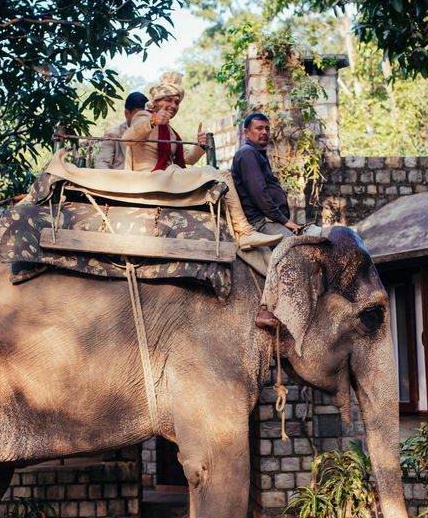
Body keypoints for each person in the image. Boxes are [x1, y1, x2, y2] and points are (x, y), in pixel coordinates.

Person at [121, 72, 281, 250]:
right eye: (169, 100)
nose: (173, 106)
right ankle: (245, 232)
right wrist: (152, 121)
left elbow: (187, 158)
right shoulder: (144, 116)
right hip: (150, 180)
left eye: (177, 102)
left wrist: (199, 145)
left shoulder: (170, 130)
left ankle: (244, 231)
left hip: (167, 176)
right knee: (214, 173)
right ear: (157, 101)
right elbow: (127, 138)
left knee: (223, 174)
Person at [230, 112, 303, 328]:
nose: (264, 132)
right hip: (259, 221)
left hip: (268, 219)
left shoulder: (257, 154)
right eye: (258, 128)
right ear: (246, 132)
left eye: (266, 128)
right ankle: (267, 308)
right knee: (293, 249)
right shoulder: (247, 154)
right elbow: (259, 193)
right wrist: (283, 220)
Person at [95, 91, 148, 170]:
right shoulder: (113, 134)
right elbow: (102, 163)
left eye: (144, 115)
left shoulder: (151, 132)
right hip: (119, 180)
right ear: (126, 114)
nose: (141, 119)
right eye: (138, 116)